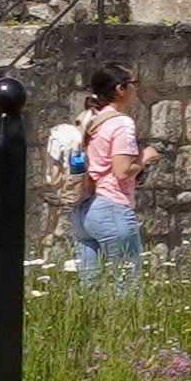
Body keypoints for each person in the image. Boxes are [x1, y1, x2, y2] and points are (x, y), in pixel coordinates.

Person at [72, 62, 146, 273]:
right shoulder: (121, 123)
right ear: (119, 89)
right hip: (112, 206)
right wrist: (145, 159)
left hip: (83, 209)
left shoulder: (90, 119)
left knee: (89, 289)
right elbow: (121, 172)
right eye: (133, 83)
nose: (136, 88)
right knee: (126, 285)